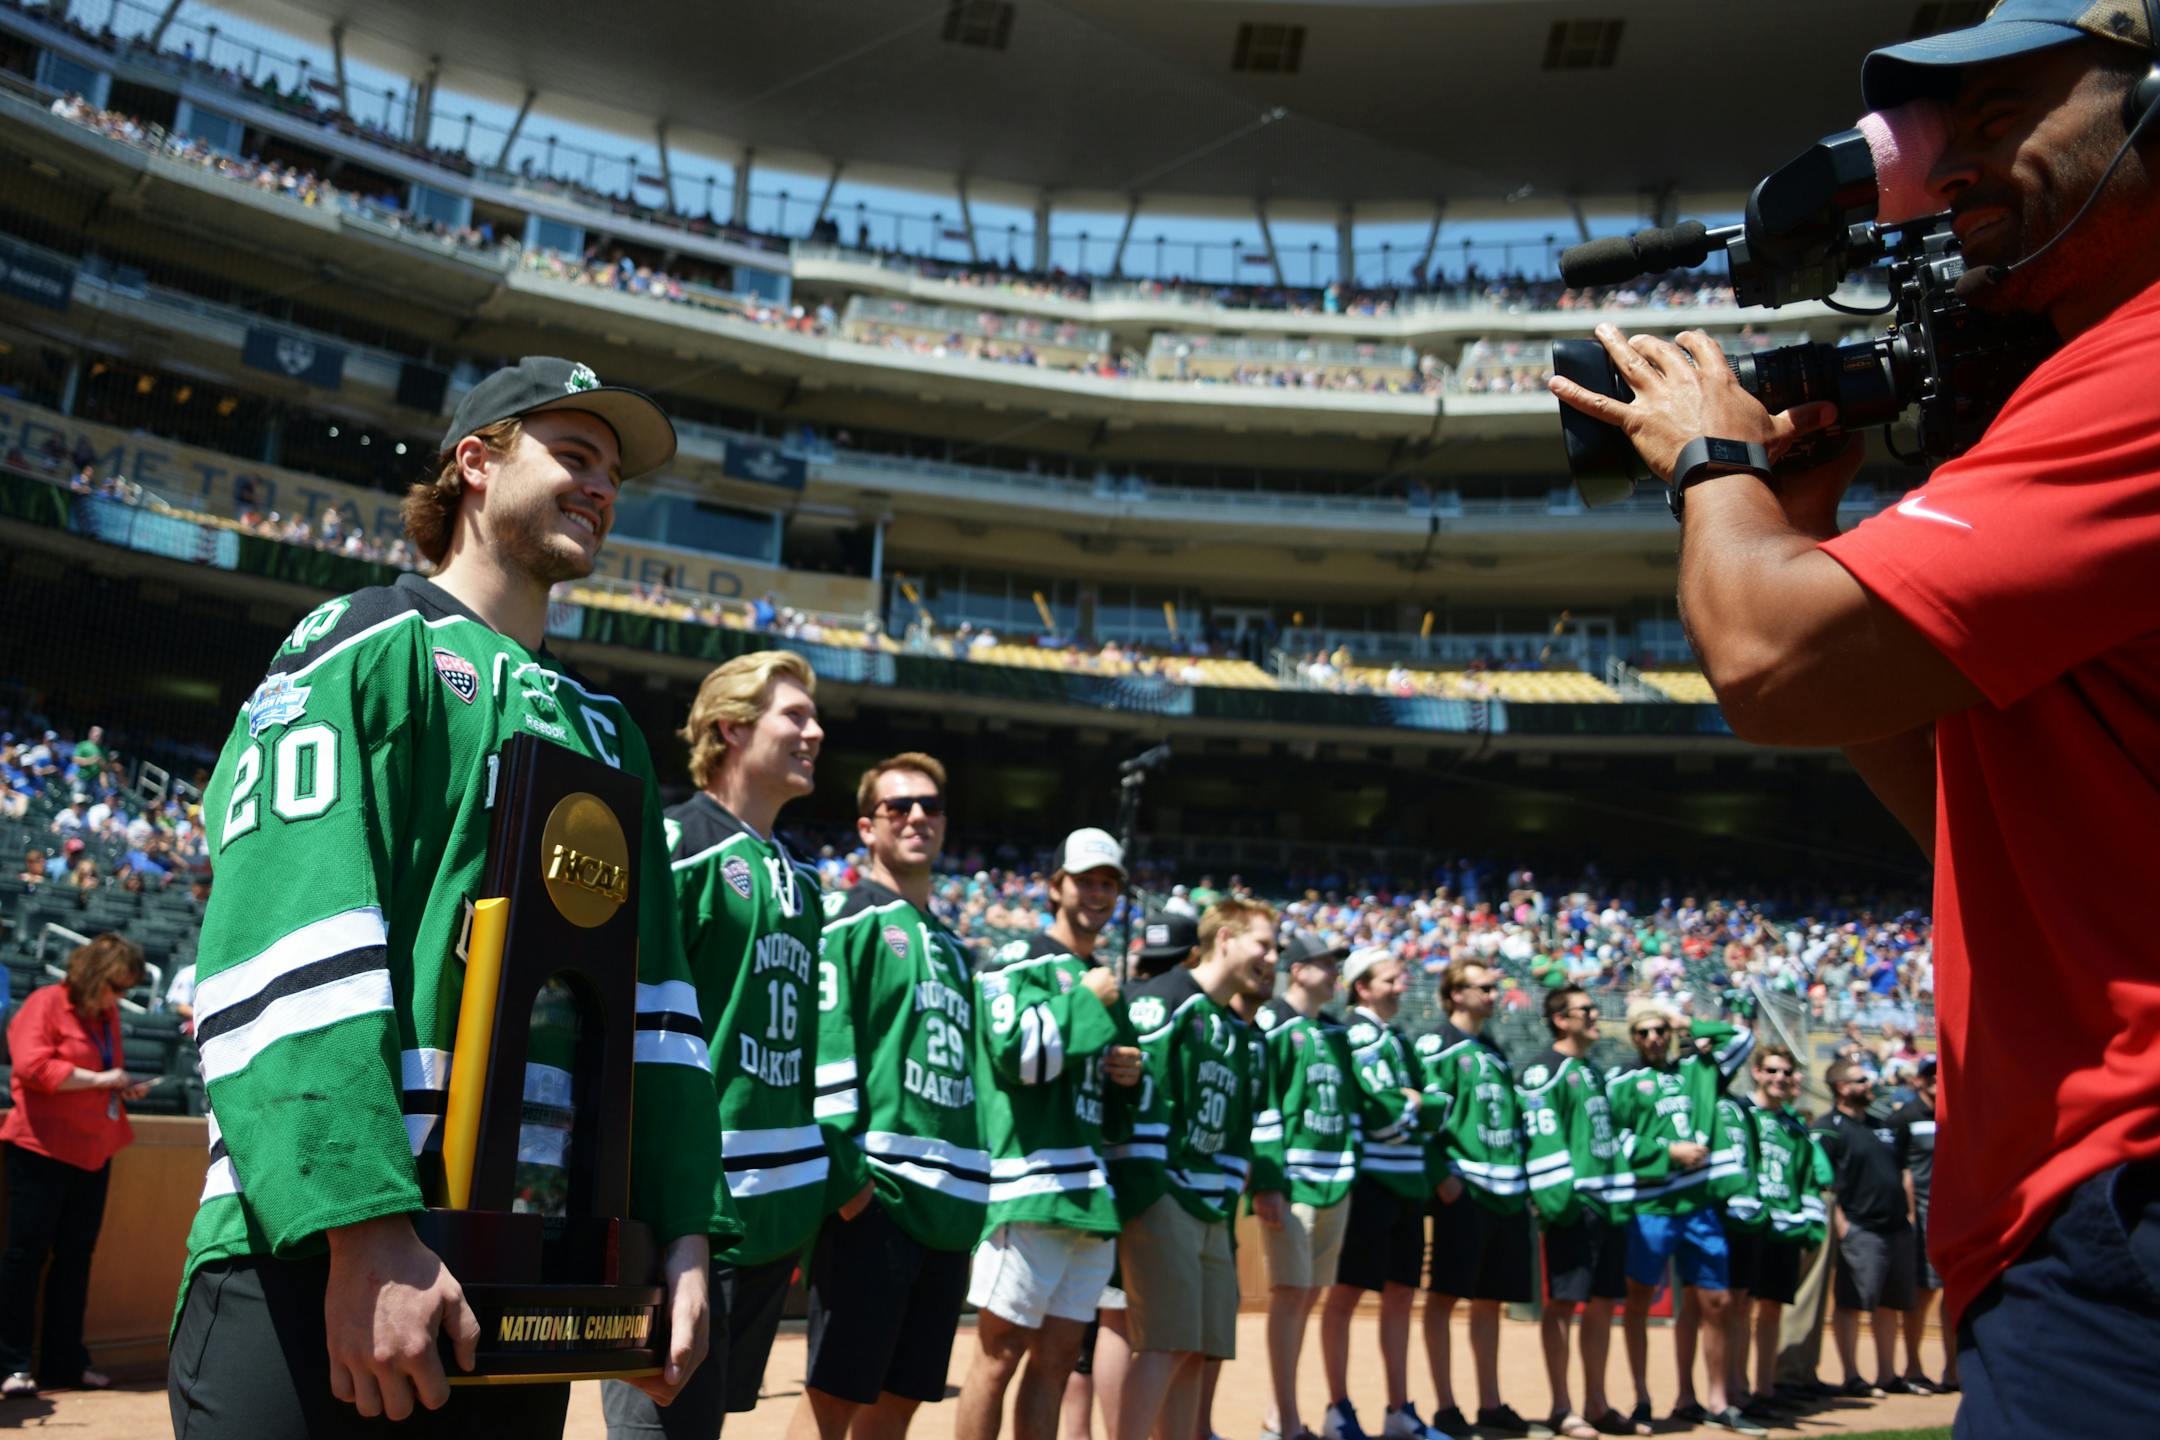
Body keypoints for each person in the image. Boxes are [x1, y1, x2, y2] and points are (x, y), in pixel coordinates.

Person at [1548, 4, 2160, 1430]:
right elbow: (1979, 818)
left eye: (2001, 121)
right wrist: (1803, 536)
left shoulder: (2135, 373)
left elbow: (1766, 662)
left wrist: (1714, 462)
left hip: (2127, 1198)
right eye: (1939, 140)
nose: (1946, 172)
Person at [168, 356, 728, 1439]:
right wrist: (364, 1229)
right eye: (575, 455)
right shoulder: (361, 645)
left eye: (613, 474)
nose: (602, 487)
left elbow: (657, 1008)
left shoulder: (608, 731)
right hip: (325, 1254)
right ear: (474, 462)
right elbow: (282, 939)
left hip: (531, 1269)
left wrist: (679, 1234)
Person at [607, 650, 837, 1440]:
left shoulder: (803, 878)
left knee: (708, 1424)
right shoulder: (674, 843)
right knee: (661, 1423)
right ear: (731, 729)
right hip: (689, 1206)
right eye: (794, 716)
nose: (815, 730)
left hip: (777, 1212)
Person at [793, 752, 984, 1440]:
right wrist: (851, 1190)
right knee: (834, 1401)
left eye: (930, 806)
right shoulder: (848, 920)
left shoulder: (960, 950)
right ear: (866, 829)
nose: (916, 817)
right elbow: (819, 1057)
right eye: (897, 807)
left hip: (950, 1210)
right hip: (879, 1200)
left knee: (898, 1404)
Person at [956, 829, 1143, 1440]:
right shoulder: (1016, 961)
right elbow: (1018, 1058)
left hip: (1091, 1198)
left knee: (1061, 1360)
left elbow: (1116, 1118)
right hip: (1028, 1186)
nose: (1097, 893)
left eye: (1108, 883)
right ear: (1056, 886)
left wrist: (1128, 1079)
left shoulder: (1104, 983)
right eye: (1085, 880)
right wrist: (1089, 1005)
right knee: (998, 1357)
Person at [1111, 899, 1272, 1440]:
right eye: (1263, 945)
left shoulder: (1230, 1023)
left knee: (1193, 1349)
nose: (1272, 959)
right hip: (1166, 1196)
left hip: (1212, 1203)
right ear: (1224, 938)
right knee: (1165, 1343)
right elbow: (1136, 1104)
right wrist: (1151, 1192)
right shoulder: (1168, 1000)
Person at [0, 934, 150, 1397]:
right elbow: (31, 1067)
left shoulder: (106, 1018)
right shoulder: (47, 1002)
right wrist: (102, 1078)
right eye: (116, 987)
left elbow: (106, 1072)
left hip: (93, 1152)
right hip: (40, 1150)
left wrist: (120, 1086)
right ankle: (14, 1364)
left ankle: (66, 1363)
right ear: (94, 975)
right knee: (25, 1257)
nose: (120, 998)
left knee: (75, 1261)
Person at [1604, 1003, 1753, 1431]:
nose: (1652, 1038)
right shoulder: (1623, 1083)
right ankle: (1642, 1396)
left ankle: (1715, 1399)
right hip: (1651, 1206)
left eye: (1659, 1030)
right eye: (1643, 1032)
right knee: (1638, 1300)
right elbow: (1613, 1135)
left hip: (1699, 1206)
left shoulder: (1699, 1069)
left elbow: (1742, 1039)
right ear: (1633, 1038)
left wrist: (1685, 1021)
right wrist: (1667, 1152)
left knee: (1717, 1301)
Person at [1318, 947, 1446, 1440]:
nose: (1403, 984)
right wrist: (1415, 1107)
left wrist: (1417, 1106)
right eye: (1391, 978)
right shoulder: (1353, 1035)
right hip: (1370, 1182)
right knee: (1345, 1296)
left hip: (1409, 1183)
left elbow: (1436, 1104)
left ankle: (1399, 1410)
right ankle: (1337, 1407)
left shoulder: (1399, 1039)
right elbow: (1384, 1112)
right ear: (1362, 987)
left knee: (1400, 1296)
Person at [1413, 959, 1532, 1438]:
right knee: (1444, 1298)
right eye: (1483, 986)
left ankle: (1489, 1401)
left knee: (1489, 1302)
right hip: (1465, 1190)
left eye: (1495, 986)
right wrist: (1442, 1175)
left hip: (1506, 1191)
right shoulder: (1435, 1044)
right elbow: (1418, 1115)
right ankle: (1445, 1405)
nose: (1493, 993)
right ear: (1455, 993)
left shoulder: (1496, 1050)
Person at [1249, 933, 1358, 1440]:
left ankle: (1282, 1410)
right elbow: (1262, 1103)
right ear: (1298, 970)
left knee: (1308, 1295)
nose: (1336, 973)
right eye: (1325, 964)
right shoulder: (1272, 1023)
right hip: (1292, 1184)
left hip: (1335, 1180)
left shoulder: (1333, 1031)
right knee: (1290, 1295)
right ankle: (1283, 1418)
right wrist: (1267, 1180)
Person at [1518, 985, 1631, 1439]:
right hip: (1573, 1205)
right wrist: (1558, 1203)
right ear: (1561, 1019)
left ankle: (1596, 1402)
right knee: (1564, 1303)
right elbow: (1541, 1138)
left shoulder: (1594, 1071)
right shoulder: (1544, 1071)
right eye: (1586, 1009)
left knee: (1603, 1305)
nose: (1595, 1014)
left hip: (1608, 1203)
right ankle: (1562, 1407)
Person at [1717, 1045, 1824, 1422]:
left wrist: (1808, 1221)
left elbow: (1806, 1178)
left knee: (1773, 1309)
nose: (1779, 1079)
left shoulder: (1795, 1126)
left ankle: (1764, 1388)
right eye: (1772, 1071)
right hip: (1749, 1223)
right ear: (1757, 1072)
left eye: (1786, 1073)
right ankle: (1737, 1387)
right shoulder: (1738, 1113)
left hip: (1784, 1226)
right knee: (1740, 1306)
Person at [1814, 1060, 1916, 1399]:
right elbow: (1823, 1181)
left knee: (1890, 1304)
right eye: (1861, 1080)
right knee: (1852, 1303)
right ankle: (1852, 1375)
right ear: (1843, 1087)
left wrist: (1910, 1214)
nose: (1869, 1085)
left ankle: (1887, 1374)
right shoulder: (1830, 1127)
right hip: (1860, 1227)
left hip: (1896, 1226)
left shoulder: (1882, 1125)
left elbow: (1902, 1171)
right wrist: (1841, 1223)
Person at [1890, 1056, 1954, 1394]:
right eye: (1930, 1074)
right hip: (1922, 1219)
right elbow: (1895, 1169)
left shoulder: (1958, 1112)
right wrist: (1908, 1214)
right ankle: (1913, 1367)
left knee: (1954, 1293)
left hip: (1956, 1216)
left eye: (1941, 1074)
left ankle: (1954, 1370)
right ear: (1918, 1080)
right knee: (1922, 1292)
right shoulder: (1905, 1117)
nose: (1936, 1080)